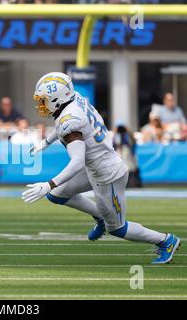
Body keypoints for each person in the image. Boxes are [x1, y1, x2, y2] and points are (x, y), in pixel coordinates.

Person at [23, 72, 180, 264]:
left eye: (44, 100)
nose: (41, 105)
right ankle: (99, 216)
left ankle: (165, 241)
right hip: (96, 166)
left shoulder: (69, 120)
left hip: (107, 175)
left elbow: (77, 161)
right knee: (57, 194)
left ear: (58, 98)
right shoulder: (75, 99)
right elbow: (64, 121)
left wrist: (49, 183)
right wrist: (47, 141)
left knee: (117, 228)